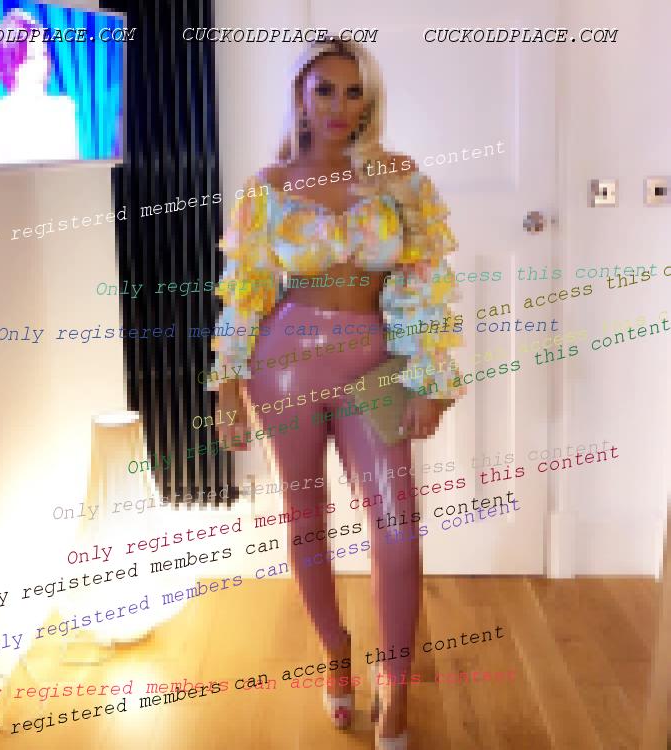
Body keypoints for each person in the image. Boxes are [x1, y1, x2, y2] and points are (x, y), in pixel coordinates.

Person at [208, 38, 466, 748]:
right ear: (300, 98)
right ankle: (334, 651)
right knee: (304, 517)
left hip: (372, 362)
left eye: (354, 92)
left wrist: (430, 379)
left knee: (397, 524)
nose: (338, 105)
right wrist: (227, 385)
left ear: (369, 102)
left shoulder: (401, 179)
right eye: (324, 89)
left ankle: (396, 686)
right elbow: (247, 291)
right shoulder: (267, 187)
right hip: (283, 363)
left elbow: (424, 281)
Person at [0, 8, 78, 165]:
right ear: (9, 65)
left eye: (44, 55)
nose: (42, 65)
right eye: (31, 58)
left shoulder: (62, 109)